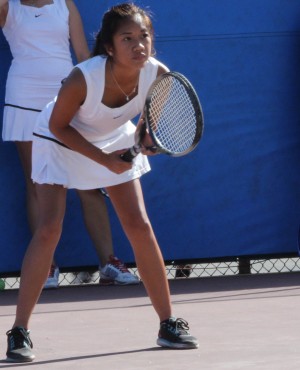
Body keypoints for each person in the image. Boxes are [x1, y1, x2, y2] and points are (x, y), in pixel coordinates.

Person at [4, 2, 199, 362]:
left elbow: (147, 125)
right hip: (59, 139)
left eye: (144, 36)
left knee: (139, 226)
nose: (139, 44)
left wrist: (145, 142)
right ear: (109, 47)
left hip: (112, 137)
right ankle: (19, 330)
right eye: (127, 38)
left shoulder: (158, 74)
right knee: (49, 230)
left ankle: (168, 322)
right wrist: (106, 163)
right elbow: (56, 127)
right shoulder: (83, 77)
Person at [0, 0, 139, 289]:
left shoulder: (65, 5)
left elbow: (82, 54)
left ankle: (108, 262)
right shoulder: (7, 8)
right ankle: (46, 265)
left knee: (91, 180)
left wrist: (98, 93)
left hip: (69, 96)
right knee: (37, 182)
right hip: (24, 97)